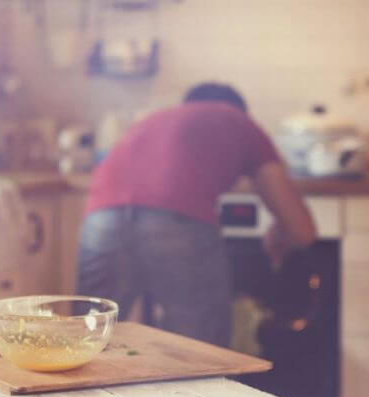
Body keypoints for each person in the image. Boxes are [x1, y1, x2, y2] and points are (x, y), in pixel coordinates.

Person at [77, 82, 316, 347]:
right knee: (200, 349)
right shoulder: (240, 123)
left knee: (89, 341)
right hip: (176, 222)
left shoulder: (155, 120)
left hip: (100, 219)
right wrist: (279, 236)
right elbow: (302, 229)